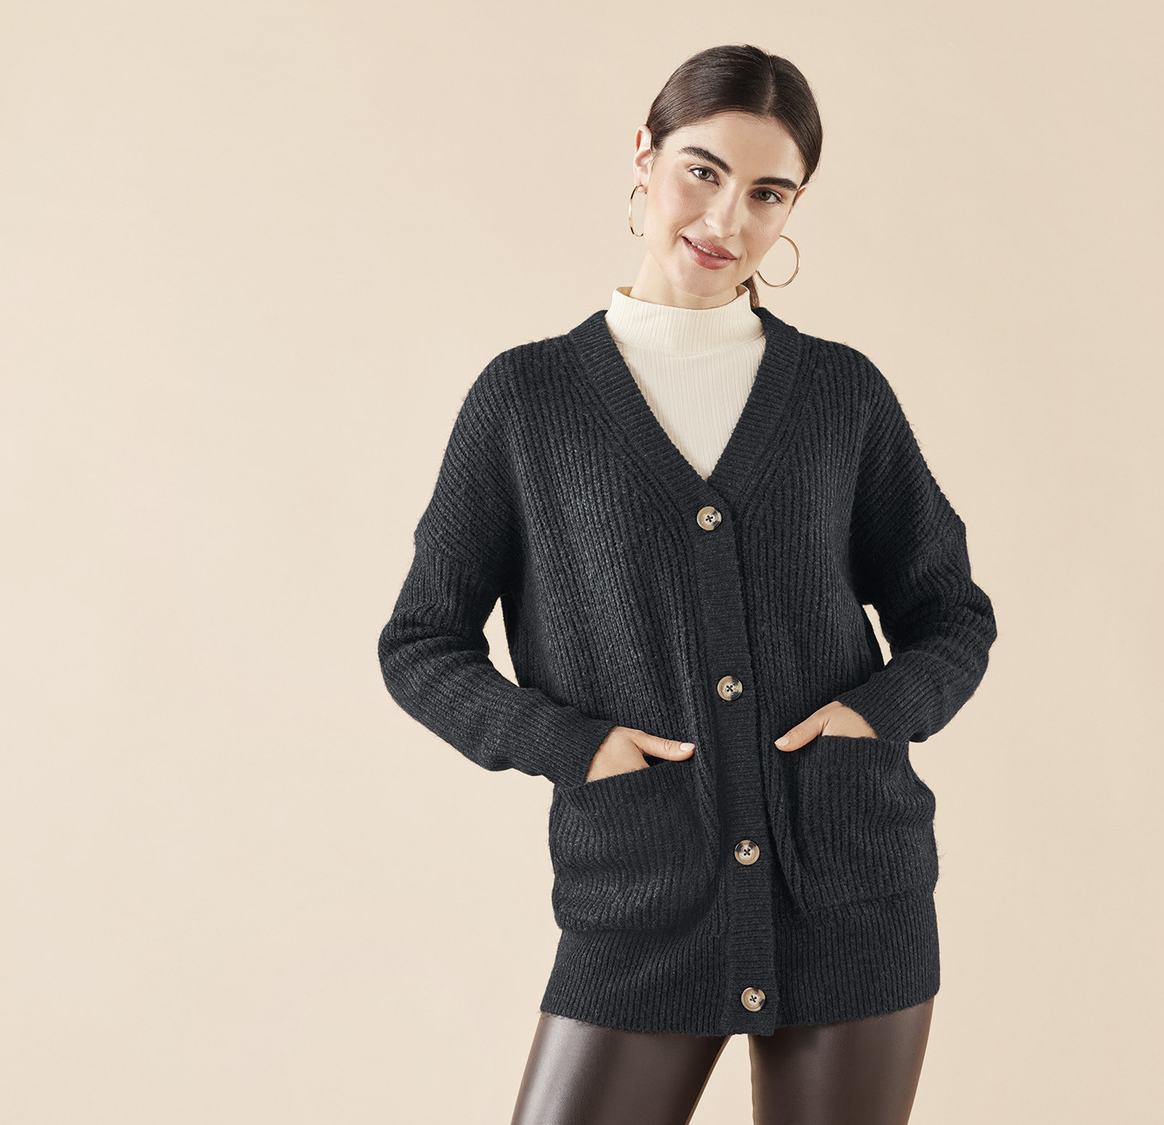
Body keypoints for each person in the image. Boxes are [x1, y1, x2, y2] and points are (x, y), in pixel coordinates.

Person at [378, 43, 997, 1125]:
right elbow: (421, 643)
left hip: (851, 891)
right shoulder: (526, 400)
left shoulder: (839, 394)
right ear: (645, 156)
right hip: (640, 893)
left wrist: (873, 718)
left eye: (767, 193)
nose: (726, 219)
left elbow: (949, 613)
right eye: (702, 172)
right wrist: (576, 748)